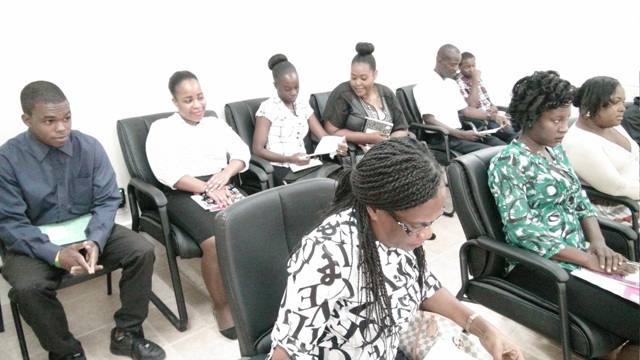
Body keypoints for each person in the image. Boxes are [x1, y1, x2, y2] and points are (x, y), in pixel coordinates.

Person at [268, 136, 524, 360]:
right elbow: (288, 350)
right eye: (417, 225)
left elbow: (423, 284)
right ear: (375, 209)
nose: (427, 234)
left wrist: (484, 330)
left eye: (431, 223)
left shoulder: (397, 235)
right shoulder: (328, 256)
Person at [0, 81, 166, 360]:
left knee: (142, 250)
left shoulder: (88, 147)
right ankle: (66, 351)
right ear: (27, 120)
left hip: (88, 229)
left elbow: (107, 200)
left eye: (66, 118)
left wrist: (96, 240)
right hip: (35, 240)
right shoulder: (7, 159)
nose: (61, 127)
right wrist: (54, 255)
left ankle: (127, 333)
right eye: (49, 121)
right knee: (28, 288)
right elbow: (11, 222)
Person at [488, 70, 639, 360]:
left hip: (579, 254)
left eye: (565, 119)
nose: (564, 128)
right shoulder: (508, 163)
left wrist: (598, 243)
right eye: (556, 121)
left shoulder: (553, 152)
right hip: (541, 266)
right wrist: (586, 259)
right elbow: (522, 231)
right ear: (530, 118)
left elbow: (580, 199)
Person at [146, 70, 251, 340]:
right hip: (182, 192)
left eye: (200, 97)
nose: (197, 105)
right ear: (175, 103)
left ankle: (253, 290)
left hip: (220, 183)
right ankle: (222, 306)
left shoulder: (215, 123)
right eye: (188, 100)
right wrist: (206, 188)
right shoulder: (162, 129)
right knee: (215, 242)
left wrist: (225, 175)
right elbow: (166, 173)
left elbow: (242, 152)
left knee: (255, 223)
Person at [253, 53, 347, 186]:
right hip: (281, 167)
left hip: (304, 164)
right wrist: (289, 159)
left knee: (342, 180)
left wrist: (337, 146)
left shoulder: (302, 105)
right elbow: (257, 149)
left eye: (297, 87)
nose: (294, 93)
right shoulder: (268, 108)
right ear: (275, 85)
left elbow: (323, 136)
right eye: (287, 89)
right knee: (314, 191)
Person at [563, 76, 639, 226]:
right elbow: (616, 187)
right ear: (593, 102)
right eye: (616, 101)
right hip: (617, 215)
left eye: (623, 102)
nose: (622, 108)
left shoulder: (613, 125)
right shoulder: (579, 141)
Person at [322, 42, 409, 164]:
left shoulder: (386, 93)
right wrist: (368, 138)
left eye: (363, 78)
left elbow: (402, 128)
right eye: (353, 78)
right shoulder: (343, 93)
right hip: (356, 155)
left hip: (389, 151)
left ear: (375, 75)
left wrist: (386, 143)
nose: (357, 83)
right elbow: (331, 131)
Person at [413, 44, 507, 155]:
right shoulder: (425, 84)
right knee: (493, 154)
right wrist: (460, 134)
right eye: (453, 65)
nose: (456, 69)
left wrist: (494, 117)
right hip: (441, 138)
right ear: (440, 60)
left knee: (504, 148)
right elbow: (429, 120)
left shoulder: (451, 83)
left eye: (458, 64)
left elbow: (466, 110)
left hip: (458, 133)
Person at [456, 51, 518, 143]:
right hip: (482, 121)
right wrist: (475, 81)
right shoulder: (459, 82)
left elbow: (485, 100)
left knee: (522, 129)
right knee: (515, 136)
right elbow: (471, 106)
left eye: (473, 66)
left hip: (492, 116)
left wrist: (493, 106)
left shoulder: (477, 78)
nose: (472, 69)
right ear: (459, 67)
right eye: (467, 67)